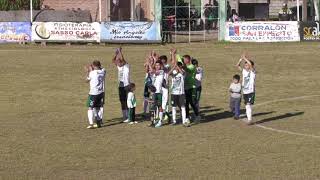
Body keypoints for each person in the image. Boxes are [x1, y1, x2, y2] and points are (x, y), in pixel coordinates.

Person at [85, 60, 106, 129]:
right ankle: (98, 122)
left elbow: (86, 81)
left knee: (90, 107)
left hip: (93, 93)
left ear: (94, 66)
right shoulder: (103, 71)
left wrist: (88, 71)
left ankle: (91, 124)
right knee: (98, 108)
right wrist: (92, 69)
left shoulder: (92, 73)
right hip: (101, 93)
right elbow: (101, 69)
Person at [236, 53, 256, 125]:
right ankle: (249, 119)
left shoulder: (252, 72)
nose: (245, 66)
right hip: (245, 91)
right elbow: (237, 65)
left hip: (251, 91)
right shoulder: (244, 71)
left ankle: (249, 120)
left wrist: (245, 58)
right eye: (245, 65)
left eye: (247, 65)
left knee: (248, 105)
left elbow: (250, 65)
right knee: (247, 105)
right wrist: (241, 59)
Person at [112, 47, 131, 122]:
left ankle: (129, 115)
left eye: (118, 62)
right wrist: (116, 54)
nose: (117, 63)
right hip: (120, 85)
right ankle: (124, 116)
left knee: (127, 100)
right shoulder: (119, 67)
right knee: (122, 101)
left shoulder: (126, 66)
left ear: (121, 62)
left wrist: (120, 52)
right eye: (117, 63)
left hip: (127, 85)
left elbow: (123, 59)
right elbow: (113, 61)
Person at [169, 62, 189, 127]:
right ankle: (174, 121)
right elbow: (169, 74)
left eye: (178, 66)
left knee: (183, 107)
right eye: (177, 66)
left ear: (180, 67)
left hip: (181, 93)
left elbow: (183, 73)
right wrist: (173, 67)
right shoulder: (174, 72)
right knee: (173, 107)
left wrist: (178, 68)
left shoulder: (183, 72)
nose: (177, 68)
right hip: (173, 93)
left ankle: (184, 121)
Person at [149, 60, 165, 128]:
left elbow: (154, 72)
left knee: (160, 106)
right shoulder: (153, 72)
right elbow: (150, 72)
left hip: (159, 92)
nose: (157, 66)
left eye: (158, 65)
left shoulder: (161, 71)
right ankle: (152, 122)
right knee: (152, 107)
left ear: (160, 66)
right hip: (153, 92)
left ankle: (160, 121)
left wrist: (149, 64)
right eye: (156, 65)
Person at [160, 55, 171, 122]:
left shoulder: (167, 66)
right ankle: (161, 114)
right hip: (160, 86)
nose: (161, 60)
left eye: (162, 59)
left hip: (165, 85)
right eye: (160, 59)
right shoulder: (160, 66)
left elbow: (165, 69)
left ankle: (167, 115)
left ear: (165, 60)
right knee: (160, 100)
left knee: (166, 100)